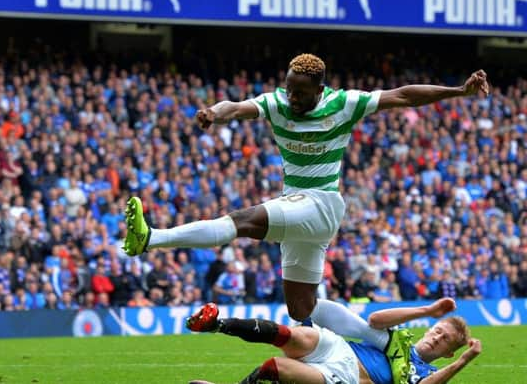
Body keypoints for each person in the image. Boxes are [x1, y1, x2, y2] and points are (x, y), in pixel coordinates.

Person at [123, 53, 490, 321]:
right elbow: (235, 107)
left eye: (301, 93)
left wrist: (459, 91)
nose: (293, 99)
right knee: (301, 308)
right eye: (289, 90)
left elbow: (404, 96)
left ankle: (151, 238)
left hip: (322, 203)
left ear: (320, 88)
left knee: (242, 220)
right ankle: (378, 339)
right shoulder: (277, 103)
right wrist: (215, 113)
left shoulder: (344, 103)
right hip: (297, 205)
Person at [186, 297, 481, 384]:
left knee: (274, 367)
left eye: (445, 341)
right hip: (336, 347)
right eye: (437, 331)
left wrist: (463, 361)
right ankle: (215, 325)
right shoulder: (398, 340)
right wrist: (427, 310)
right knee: (293, 335)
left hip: (343, 376)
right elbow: (375, 321)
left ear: (447, 354)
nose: (436, 338)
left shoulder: (427, 375)